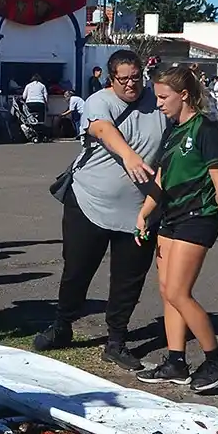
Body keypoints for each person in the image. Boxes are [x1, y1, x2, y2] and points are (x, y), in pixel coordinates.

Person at [33, 51, 167, 370]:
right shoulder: (98, 101)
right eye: (124, 79)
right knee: (77, 270)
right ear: (111, 79)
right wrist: (130, 156)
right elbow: (103, 130)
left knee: (129, 279)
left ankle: (117, 341)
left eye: (136, 77)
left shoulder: (158, 103)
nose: (132, 84)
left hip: (140, 211)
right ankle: (62, 325)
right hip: (89, 201)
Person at [135, 64, 218, 394]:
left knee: (178, 292)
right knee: (167, 291)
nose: (158, 104)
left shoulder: (205, 130)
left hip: (198, 218)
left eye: (163, 97)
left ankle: (216, 360)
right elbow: (160, 178)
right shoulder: (173, 132)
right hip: (170, 219)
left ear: (183, 95)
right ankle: (175, 362)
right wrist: (144, 214)